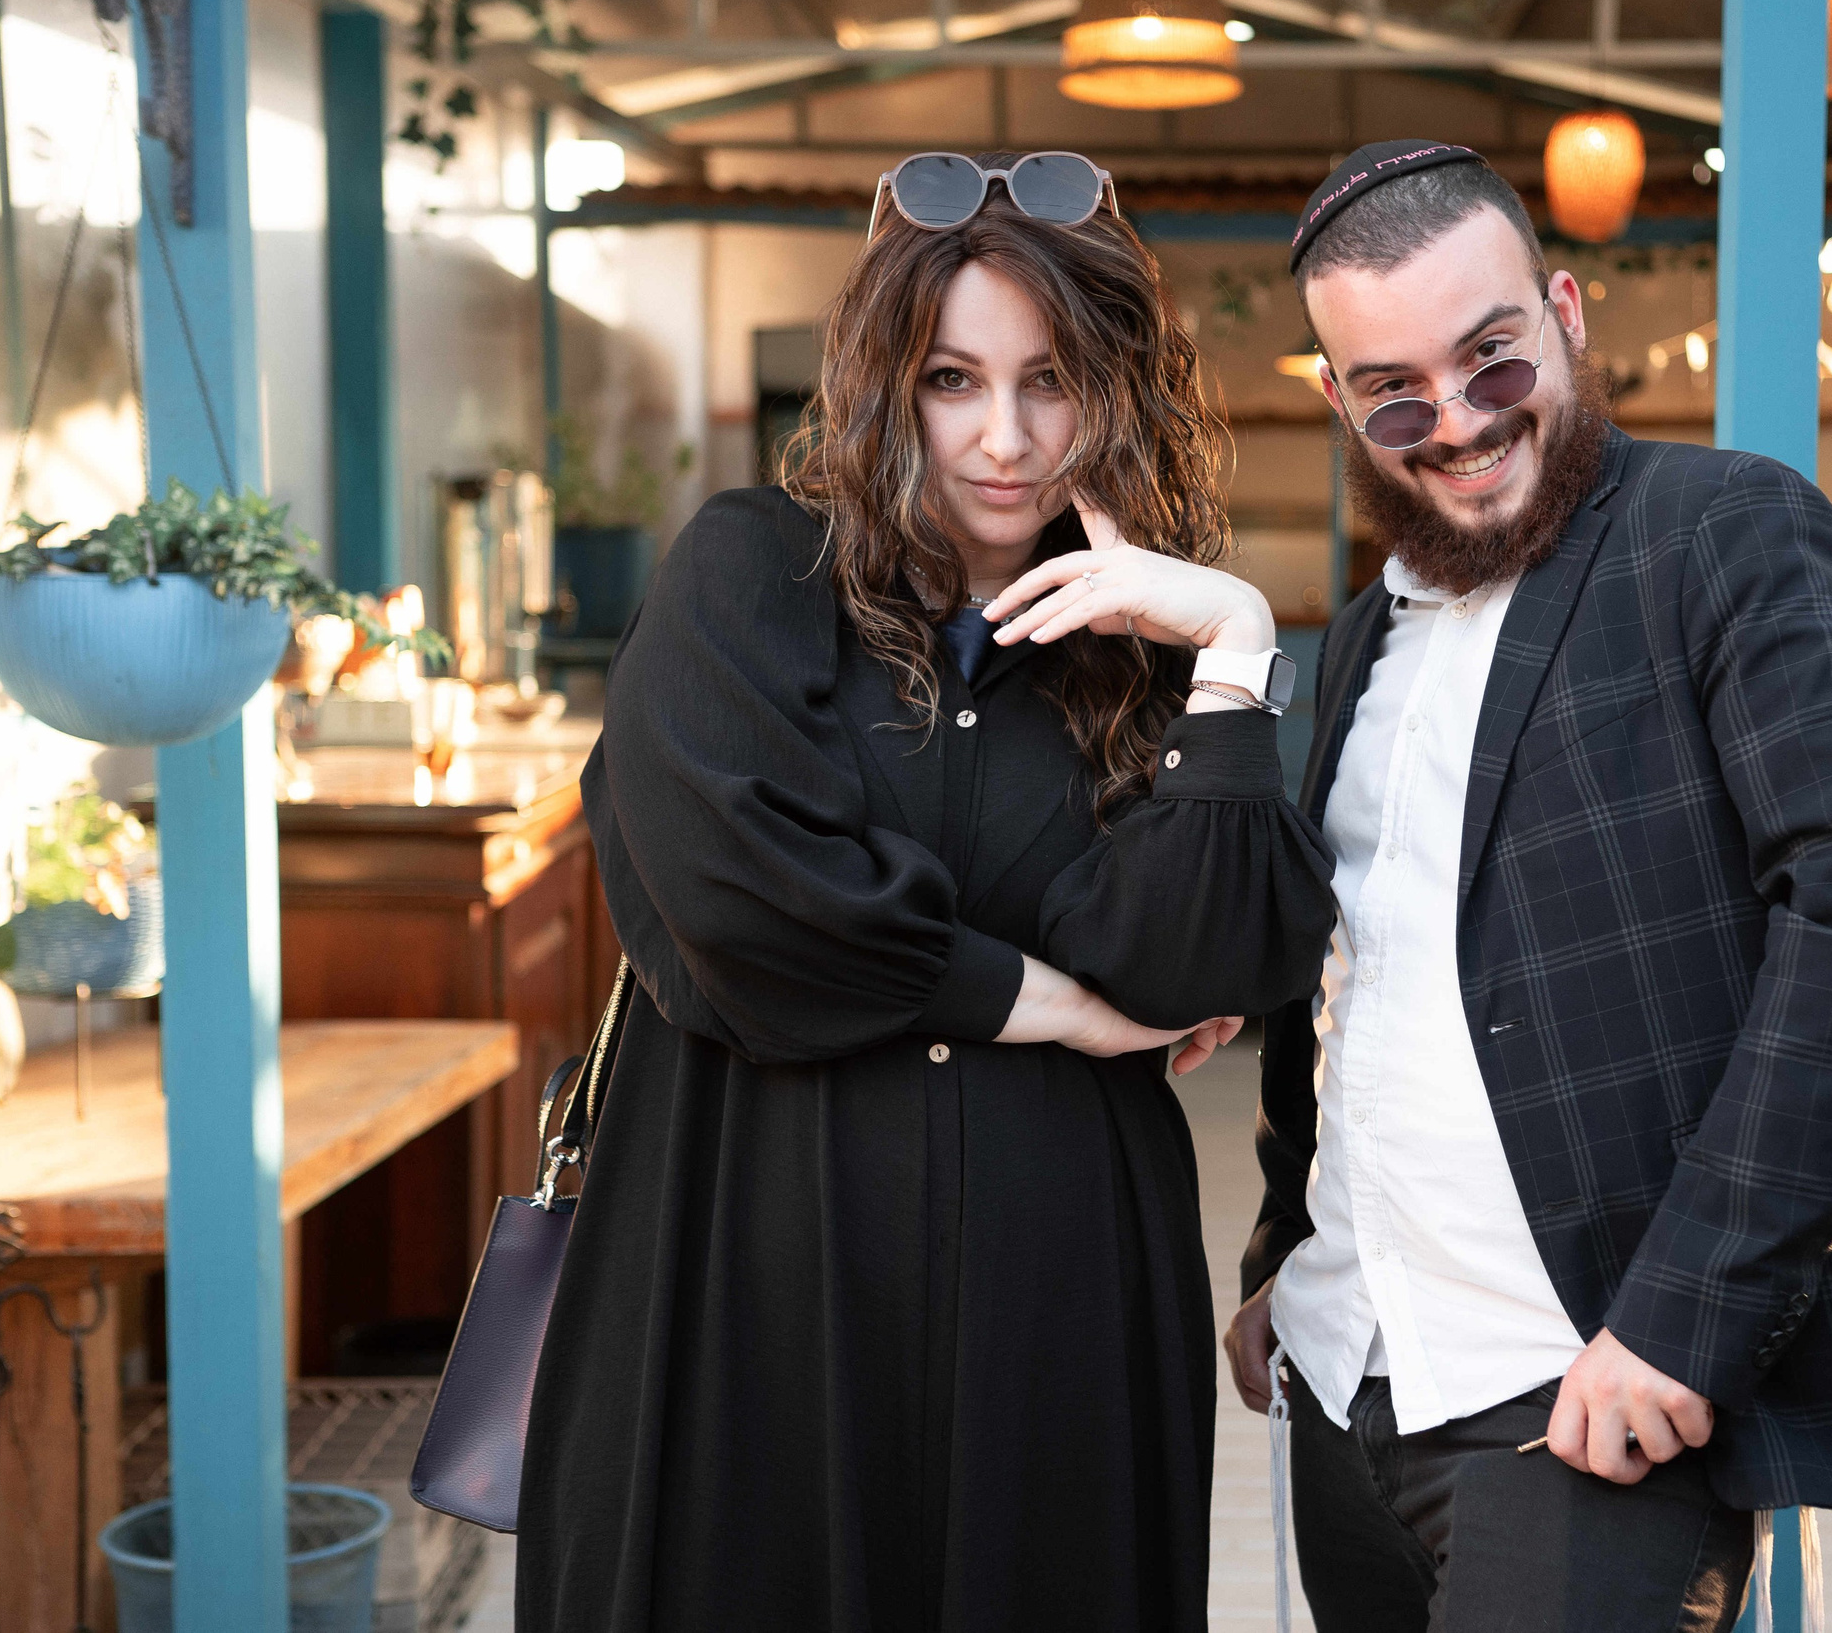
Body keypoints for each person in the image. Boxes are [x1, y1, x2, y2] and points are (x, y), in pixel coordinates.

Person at [519, 150, 1336, 1632]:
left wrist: (1230, 645)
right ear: (882, 386)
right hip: (749, 1287)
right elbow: (749, 910)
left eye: (1050, 383)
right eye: (953, 381)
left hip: (1057, 1304)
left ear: (1114, 395)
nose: (1004, 440)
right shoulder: (748, 577)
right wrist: (1048, 1006)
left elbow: (1199, 965)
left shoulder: (1139, 643)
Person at [1221, 141, 1832, 1632]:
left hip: (1586, 1396)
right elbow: (1349, 978)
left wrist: (1687, 1321)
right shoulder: (1369, 634)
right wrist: (1289, 1251)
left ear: (1565, 314)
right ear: (1340, 404)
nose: (1455, 423)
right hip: (1349, 1377)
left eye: (1492, 361)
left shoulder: (1722, 534)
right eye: (1394, 394)